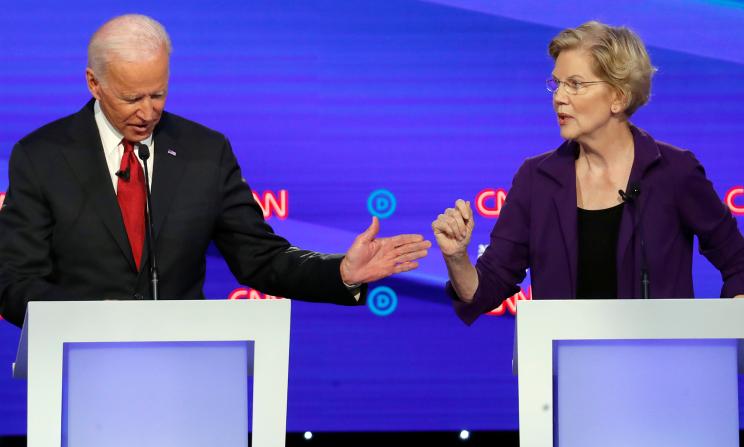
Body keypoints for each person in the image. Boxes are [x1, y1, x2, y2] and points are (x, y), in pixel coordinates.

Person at [0, 14, 431, 328]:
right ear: (94, 84)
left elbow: (259, 258)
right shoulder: (41, 157)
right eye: (132, 98)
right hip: (76, 369)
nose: (148, 113)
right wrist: (90, 321)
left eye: (159, 94)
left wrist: (341, 273)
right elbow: (14, 281)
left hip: (186, 370)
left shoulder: (204, 153)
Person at [432, 21, 744, 325]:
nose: (559, 97)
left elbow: (738, 263)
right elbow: (487, 288)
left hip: (665, 369)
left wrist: (728, 325)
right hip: (569, 370)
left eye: (575, 84)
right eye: (557, 83)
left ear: (618, 97)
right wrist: (457, 257)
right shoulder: (536, 180)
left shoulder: (674, 172)